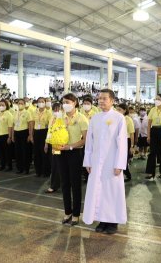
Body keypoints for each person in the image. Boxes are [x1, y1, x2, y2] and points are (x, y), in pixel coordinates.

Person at [83, 89, 128, 234]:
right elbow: (89, 142)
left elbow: (122, 144)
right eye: (99, 98)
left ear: (112, 100)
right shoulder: (95, 118)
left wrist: (119, 164)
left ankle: (113, 222)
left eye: (104, 98)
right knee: (99, 191)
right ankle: (102, 220)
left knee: (112, 192)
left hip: (111, 162)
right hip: (96, 162)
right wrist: (88, 162)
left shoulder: (119, 118)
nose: (101, 101)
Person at [57, 93, 88, 226]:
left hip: (75, 153)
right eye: (63, 102)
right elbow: (54, 132)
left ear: (75, 102)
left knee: (75, 184)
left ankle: (76, 214)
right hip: (61, 153)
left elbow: (85, 140)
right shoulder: (59, 117)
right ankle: (67, 212)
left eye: (68, 102)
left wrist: (70, 146)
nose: (65, 104)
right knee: (64, 183)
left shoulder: (82, 118)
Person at [12, 99, 34, 174]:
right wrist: (12, 135)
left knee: (25, 151)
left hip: (24, 132)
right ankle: (19, 168)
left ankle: (26, 168)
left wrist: (30, 135)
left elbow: (30, 124)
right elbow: (13, 124)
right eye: (19, 103)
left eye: (22, 103)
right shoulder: (15, 113)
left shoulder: (27, 112)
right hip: (16, 132)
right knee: (18, 151)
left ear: (24, 105)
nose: (20, 104)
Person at [32, 97, 52, 177]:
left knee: (44, 152)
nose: (41, 103)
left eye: (42, 101)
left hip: (44, 132)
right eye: (39, 101)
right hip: (36, 132)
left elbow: (50, 126)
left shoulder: (48, 113)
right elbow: (32, 123)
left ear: (45, 102)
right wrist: (31, 135)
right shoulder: (34, 112)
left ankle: (45, 171)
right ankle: (38, 171)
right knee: (36, 153)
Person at [116, 103, 135, 182]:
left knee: (124, 159)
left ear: (124, 110)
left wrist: (132, 146)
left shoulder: (128, 119)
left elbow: (131, 133)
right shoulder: (115, 118)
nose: (118, 111)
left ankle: (127, 174)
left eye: (119, 110)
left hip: (126, 140)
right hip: (117, 140)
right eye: (117, 109)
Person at [0, 99, 13, 171]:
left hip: (5, 135)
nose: (1, 106)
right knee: (0, 151)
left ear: (6, 106)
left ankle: (9, 165)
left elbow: (10, 126)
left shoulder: (8, 114)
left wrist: (10, 136)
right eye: (0, 105)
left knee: (7, 152)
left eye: (3, 105)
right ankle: (2, 164)